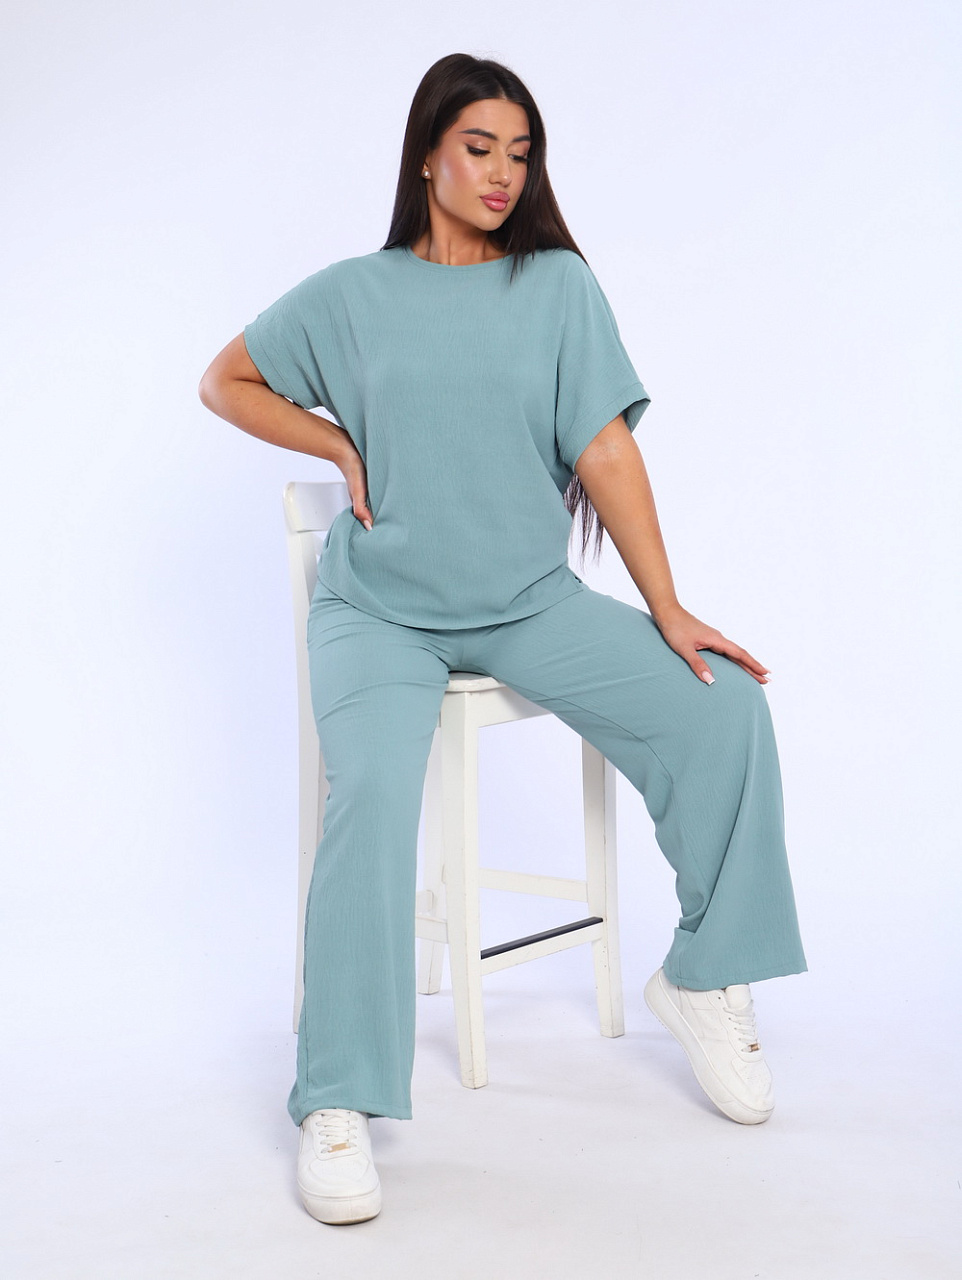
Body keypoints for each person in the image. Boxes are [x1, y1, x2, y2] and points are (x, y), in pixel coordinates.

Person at [198, 51, 807, 1227]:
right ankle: (337, 1095)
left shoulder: (556, 287)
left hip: (528, 602)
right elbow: (226, 381)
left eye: (519, 154)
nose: (499, 173)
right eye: (478, 147)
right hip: (378, 610)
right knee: (375, 792)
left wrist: (668, 606)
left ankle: (702, 976)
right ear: (426, 153)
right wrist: (336, 444)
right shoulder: (353, 294)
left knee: (723, 701)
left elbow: (605, 451)